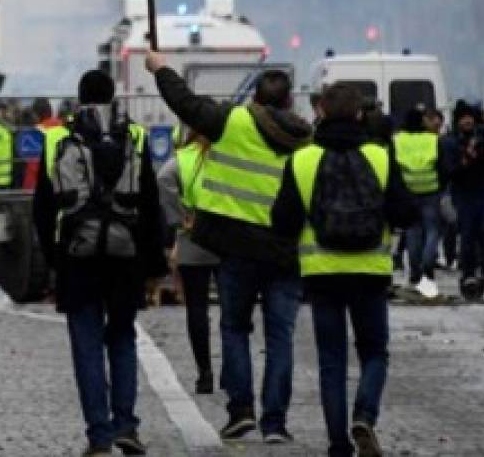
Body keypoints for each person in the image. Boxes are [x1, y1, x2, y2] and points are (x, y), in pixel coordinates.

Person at [146, 52, 311, 444]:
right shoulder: (305, 141)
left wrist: (160, 68)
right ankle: (275, 421)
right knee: (280, 337)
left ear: (255, 98)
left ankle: (241, 412)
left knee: (235, 328)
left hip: (236, 248)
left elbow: (185, 103)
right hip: (284, 253)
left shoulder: (232, 121)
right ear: (289, 102)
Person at [272, 82, 418, 457]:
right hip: (370, 270)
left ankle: (338, 444)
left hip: (321, 273)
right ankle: (364, 414)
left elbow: (282, 222)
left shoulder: (302, 160)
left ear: (319, 111)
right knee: (374, 352)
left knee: (331, 362)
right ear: (359, 114)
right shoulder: (381, 157)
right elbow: (406, 213)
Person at [32, 70, 166, 457]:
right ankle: (127, 425)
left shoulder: (59, 137)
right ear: (113, 97)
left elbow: (42, 206)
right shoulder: (135, 136)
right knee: (123, 339)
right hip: (125, 258)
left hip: (77, 255)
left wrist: (52, 257)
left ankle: (99, 436)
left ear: (79, 97)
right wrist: (153, 263)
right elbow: (150, 204)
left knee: (86, 345)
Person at [157, 132, 220, 394]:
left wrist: (178, 219)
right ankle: (233, 371)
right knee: (234, 311)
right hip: (227, 238)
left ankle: (204, 372)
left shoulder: (181, 160)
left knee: (197, 308)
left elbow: (162, 179)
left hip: (193, 237)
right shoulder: (224, 156)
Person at [440, 101, 484, 296]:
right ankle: (468, 273)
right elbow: (449, 171)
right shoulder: (450, 142)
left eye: (470, 117)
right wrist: (466, 158)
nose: (467, 121)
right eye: (463, 118)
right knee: (467, 235)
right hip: (464, 193)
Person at [391, 108, 441, 297]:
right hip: (430, 189)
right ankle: (428, 265)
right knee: (432, 230)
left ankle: (415, 272)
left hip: (408, 190)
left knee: (413, 232)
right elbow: (441, 165)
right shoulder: (432, 139)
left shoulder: (398, 139)